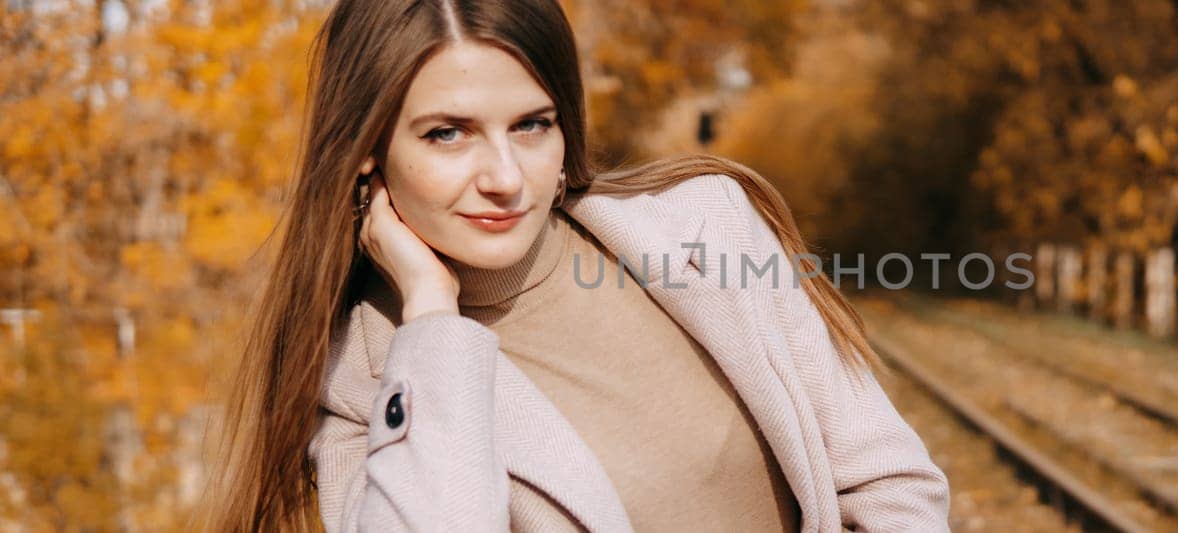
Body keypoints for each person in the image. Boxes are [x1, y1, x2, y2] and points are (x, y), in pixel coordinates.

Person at [199, 0, 950, 530]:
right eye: (448, 134)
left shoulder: (711, 230)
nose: (504, 175)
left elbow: (888, 482)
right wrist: (430, 315)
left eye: (532, 124)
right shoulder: (365, 389)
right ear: (368, 153)